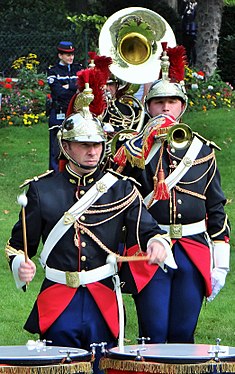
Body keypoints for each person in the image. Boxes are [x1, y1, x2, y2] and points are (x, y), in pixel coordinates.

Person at [5, 73, 174, 374]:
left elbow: (148, 229)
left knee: (101, 368)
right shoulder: (42, 190)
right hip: (58, 299)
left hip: (103, 299)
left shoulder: (121, 188)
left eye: (97, 144)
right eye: (83, 144)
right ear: (66, 147)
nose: (92, 151)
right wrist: (21, 266)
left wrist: (157, 243)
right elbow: (17, 247)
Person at [113, 46, 231, 344]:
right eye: (159, 102)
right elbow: (119, 202)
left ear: (182, 107)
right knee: (153, 333)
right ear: (149, 108)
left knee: (183, 333)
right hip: (149, 250)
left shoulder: (202, 151)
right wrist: (141, 143)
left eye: (172, 102)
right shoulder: (133, 150)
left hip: (193, 248)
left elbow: (216, 207)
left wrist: (221, 262)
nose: (166, 108)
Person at [47, 41, 83, 172]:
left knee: (75, 143)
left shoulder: (78, 69)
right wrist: (73, 88)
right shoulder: (53, 71)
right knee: (56, 146)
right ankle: (54, 174)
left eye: (72, 54)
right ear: (60, 55)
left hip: (75, 112)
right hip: (59, 112)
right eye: (67, 55)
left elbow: (83, 85)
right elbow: (58, 92)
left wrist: (69, 86)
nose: (71, 57)